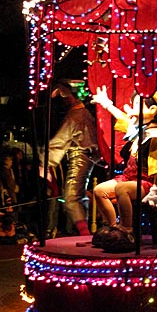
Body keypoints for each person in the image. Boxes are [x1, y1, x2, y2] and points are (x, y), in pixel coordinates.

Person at [90, 82, 157, 252]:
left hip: (145, 183)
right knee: (99, 190)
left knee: (122, 189)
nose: (130, 109)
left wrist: (156, 188)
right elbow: (122, 118)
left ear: (153, 111)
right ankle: (113, 227)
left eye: (136, 105)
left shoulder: (156, 137)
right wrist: (107, 104)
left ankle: (127, 230)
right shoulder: (139, 130)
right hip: (128, 178)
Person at [45, 81, 99, 237]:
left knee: (71, 197)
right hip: (84, 155)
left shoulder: (76, 115)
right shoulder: (81, 112)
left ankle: (85, 233)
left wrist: (45, 163)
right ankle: (84, 232)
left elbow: (60, 141)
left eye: (64, 97)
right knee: (78, 196)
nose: (63, 101)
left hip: (80, 154)